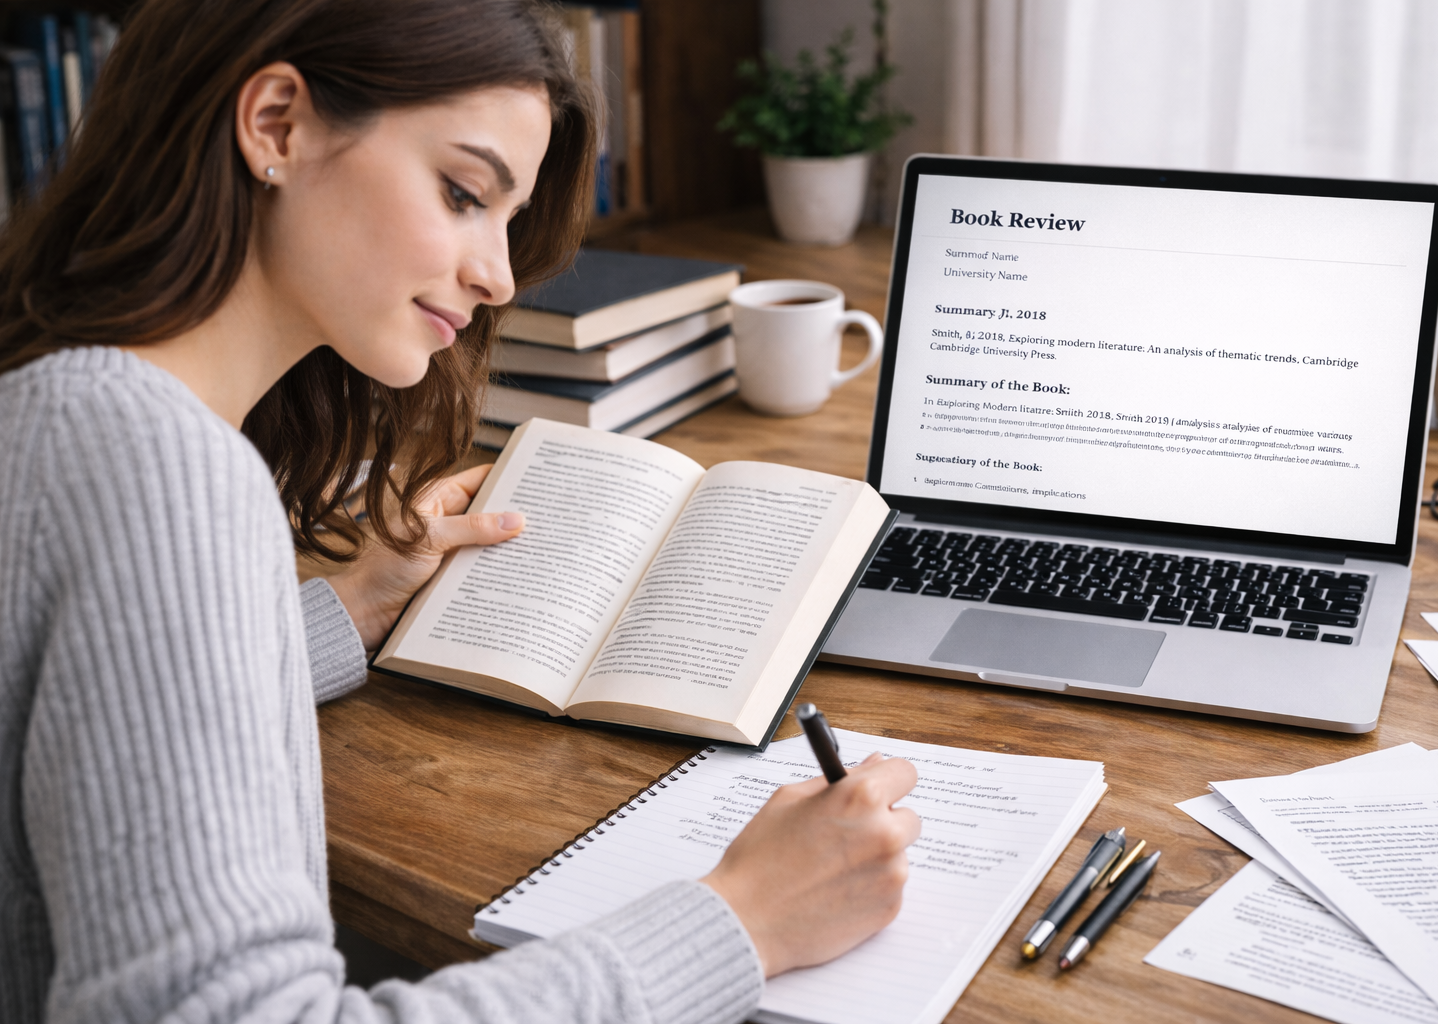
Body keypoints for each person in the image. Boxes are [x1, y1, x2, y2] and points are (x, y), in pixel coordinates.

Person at [0, 2, 922, 1022]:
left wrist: (340, 617)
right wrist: (743, 920)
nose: (497, 275)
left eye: (508, 221)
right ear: (275, 125)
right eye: (462, 192)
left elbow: (74, 714)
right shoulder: (158, 465)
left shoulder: (65, 404)